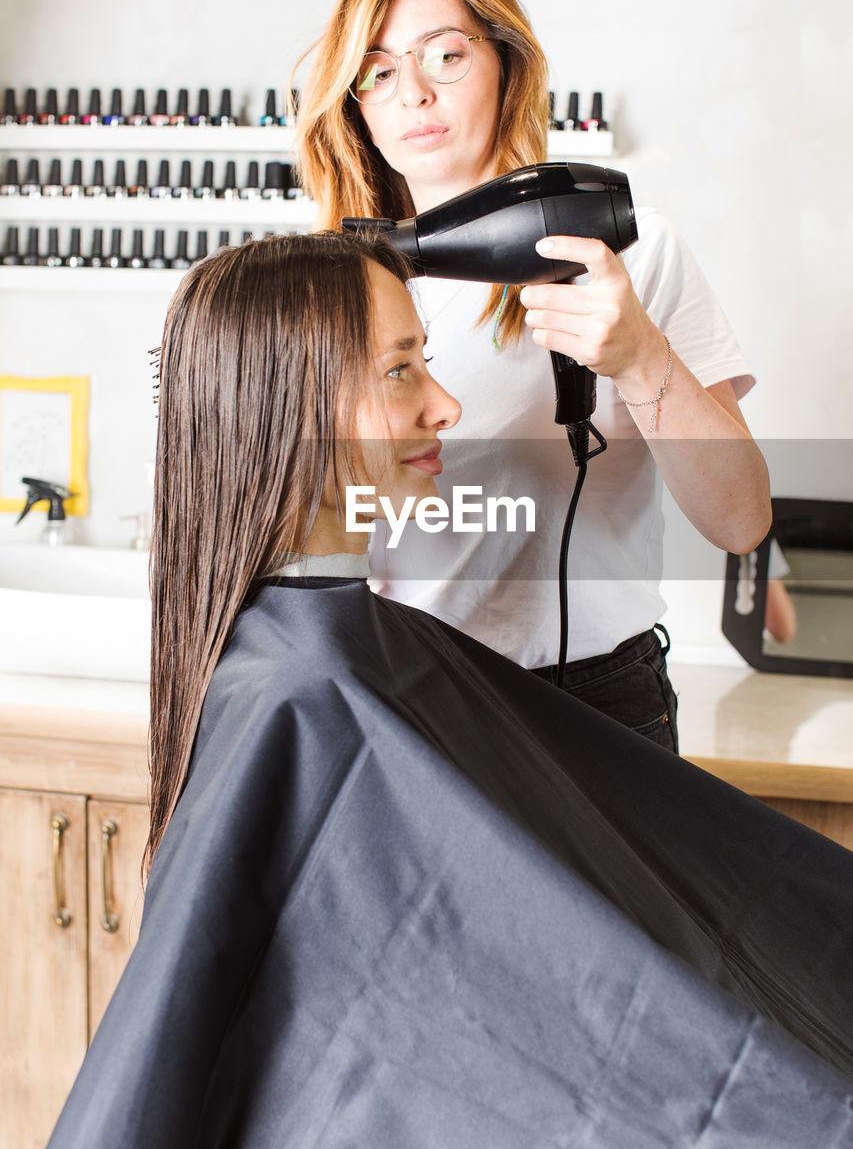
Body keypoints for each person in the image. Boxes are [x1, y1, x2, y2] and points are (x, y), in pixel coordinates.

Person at [47, 233, 853, 1147]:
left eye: (424, 362)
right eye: (401, 372)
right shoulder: (308, 696)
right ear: (284, 403)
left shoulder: (322, 672)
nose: (447, 405)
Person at [296, 0, 772, 752]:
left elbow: (740, 521)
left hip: (595, 711)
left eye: (444, 56)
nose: (412, 93)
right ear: (354, 105)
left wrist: (639, 359)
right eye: (378, 71)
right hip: (390, 699)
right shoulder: (328, 279)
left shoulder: (623, 251)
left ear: (506, 64)